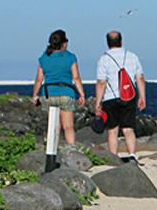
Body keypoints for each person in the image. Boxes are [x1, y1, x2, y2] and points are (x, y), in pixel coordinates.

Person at [94, 30, 146, 162]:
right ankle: (132, 154)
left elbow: (101, 82)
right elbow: (140, 78)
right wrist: (142, 96)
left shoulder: (104, 59)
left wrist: (97, 102)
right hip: (129, 95)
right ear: (121, 41)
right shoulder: (132, 56)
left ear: (107, 43)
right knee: (128, 128)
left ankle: (114, 157)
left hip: (110, 97)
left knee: (112, 129)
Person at [31, 29, 85, 145]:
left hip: (49, 93)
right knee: (68, 126)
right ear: (64, 43)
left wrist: (35, 94)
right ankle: (71, 149)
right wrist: (82, 94)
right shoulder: (70, 57)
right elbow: (76, 77)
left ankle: (52, 150)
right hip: (66, 92)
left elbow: (39, 79)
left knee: (53, 126)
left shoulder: (44, 57)